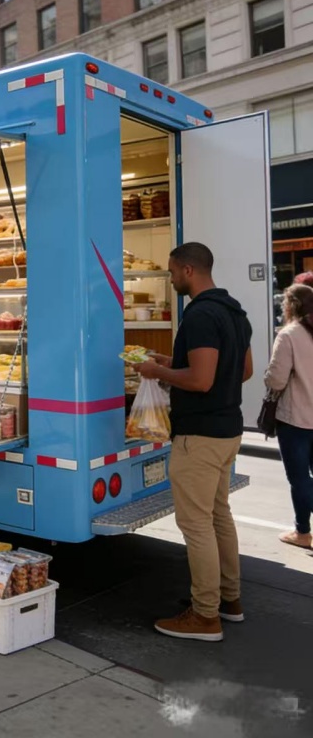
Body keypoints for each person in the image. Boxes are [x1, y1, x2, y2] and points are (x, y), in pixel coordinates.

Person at [134, 242, 253, 642]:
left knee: (196, 525)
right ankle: (229, 601)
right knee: (219, 515)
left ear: (187, 270)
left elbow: (202, 380)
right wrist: (175, 365)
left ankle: (205, 616)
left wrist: (156, 371)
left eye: (171, 272)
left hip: (199, 436)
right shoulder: (235, 311)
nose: (170, 280)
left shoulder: (200, 315)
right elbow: (243, 370)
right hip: (228, 430)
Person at [264, 284, 313, 550]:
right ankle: (302, 531)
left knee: (299, 479)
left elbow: (276, 379)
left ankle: (303, 533)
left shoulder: (289, 335)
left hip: (296, 420)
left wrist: (267, 378)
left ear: (290, 306)